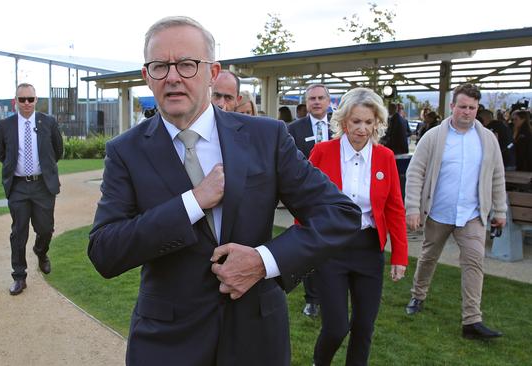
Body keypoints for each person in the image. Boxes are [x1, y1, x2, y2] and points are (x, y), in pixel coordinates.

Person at [87, 16, 361, 366]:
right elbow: (105, 251)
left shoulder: (266, 137)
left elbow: (339, 213)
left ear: (212, 73)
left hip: (256, 338)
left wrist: (264, 262)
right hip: (168, 344)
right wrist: (193, 202)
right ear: (146, 76)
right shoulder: (125, 151)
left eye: (187, 64)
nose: (172, 76)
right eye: (160, 66)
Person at [308, 87, 408, 366]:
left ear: (377, 123)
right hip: (331, 248)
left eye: (368, 122)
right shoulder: (322, 151)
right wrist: (304, 242)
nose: (362, 129)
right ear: (343, 122)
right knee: (337, 326)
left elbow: (394, 208)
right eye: (356, 122)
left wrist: (399, 255)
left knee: (364, 327)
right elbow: (302, 197)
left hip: (368, 249)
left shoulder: (385, 157)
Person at [404, 83, 506, 340]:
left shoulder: (487, 139)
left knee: (474, 261)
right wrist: (413, 208)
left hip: (472, 214)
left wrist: (500, 210)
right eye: (462, 106)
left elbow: (497, 176)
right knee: (428, 257)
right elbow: (415, 173)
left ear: (477, 109)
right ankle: (418, 296)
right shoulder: (434, 137)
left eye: (472, 108)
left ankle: (472, 320)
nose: (467, 112)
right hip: (438, 212)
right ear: (452, 106)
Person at [0, 83, 64, 296]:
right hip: (18, 186)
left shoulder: (49, 123)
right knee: (19, 232)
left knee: (45, 229)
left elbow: (58, 151)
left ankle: (41, 251)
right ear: (15, 100)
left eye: (30, 99)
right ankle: (19, 276)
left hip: (42, 185)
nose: (26, 103)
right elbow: (2, 154)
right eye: (22, 99)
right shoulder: (5, 125)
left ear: (36, 100)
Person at [287, 83, 332, 318]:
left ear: (329, 101)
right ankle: (312, 299)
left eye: (320, 98)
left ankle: (333, 294)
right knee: (310, 248)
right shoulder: (294, 129)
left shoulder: (341, 126)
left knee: (334, 246)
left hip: (335, 196)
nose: (316, 102)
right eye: (312, 98)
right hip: (307, 197)